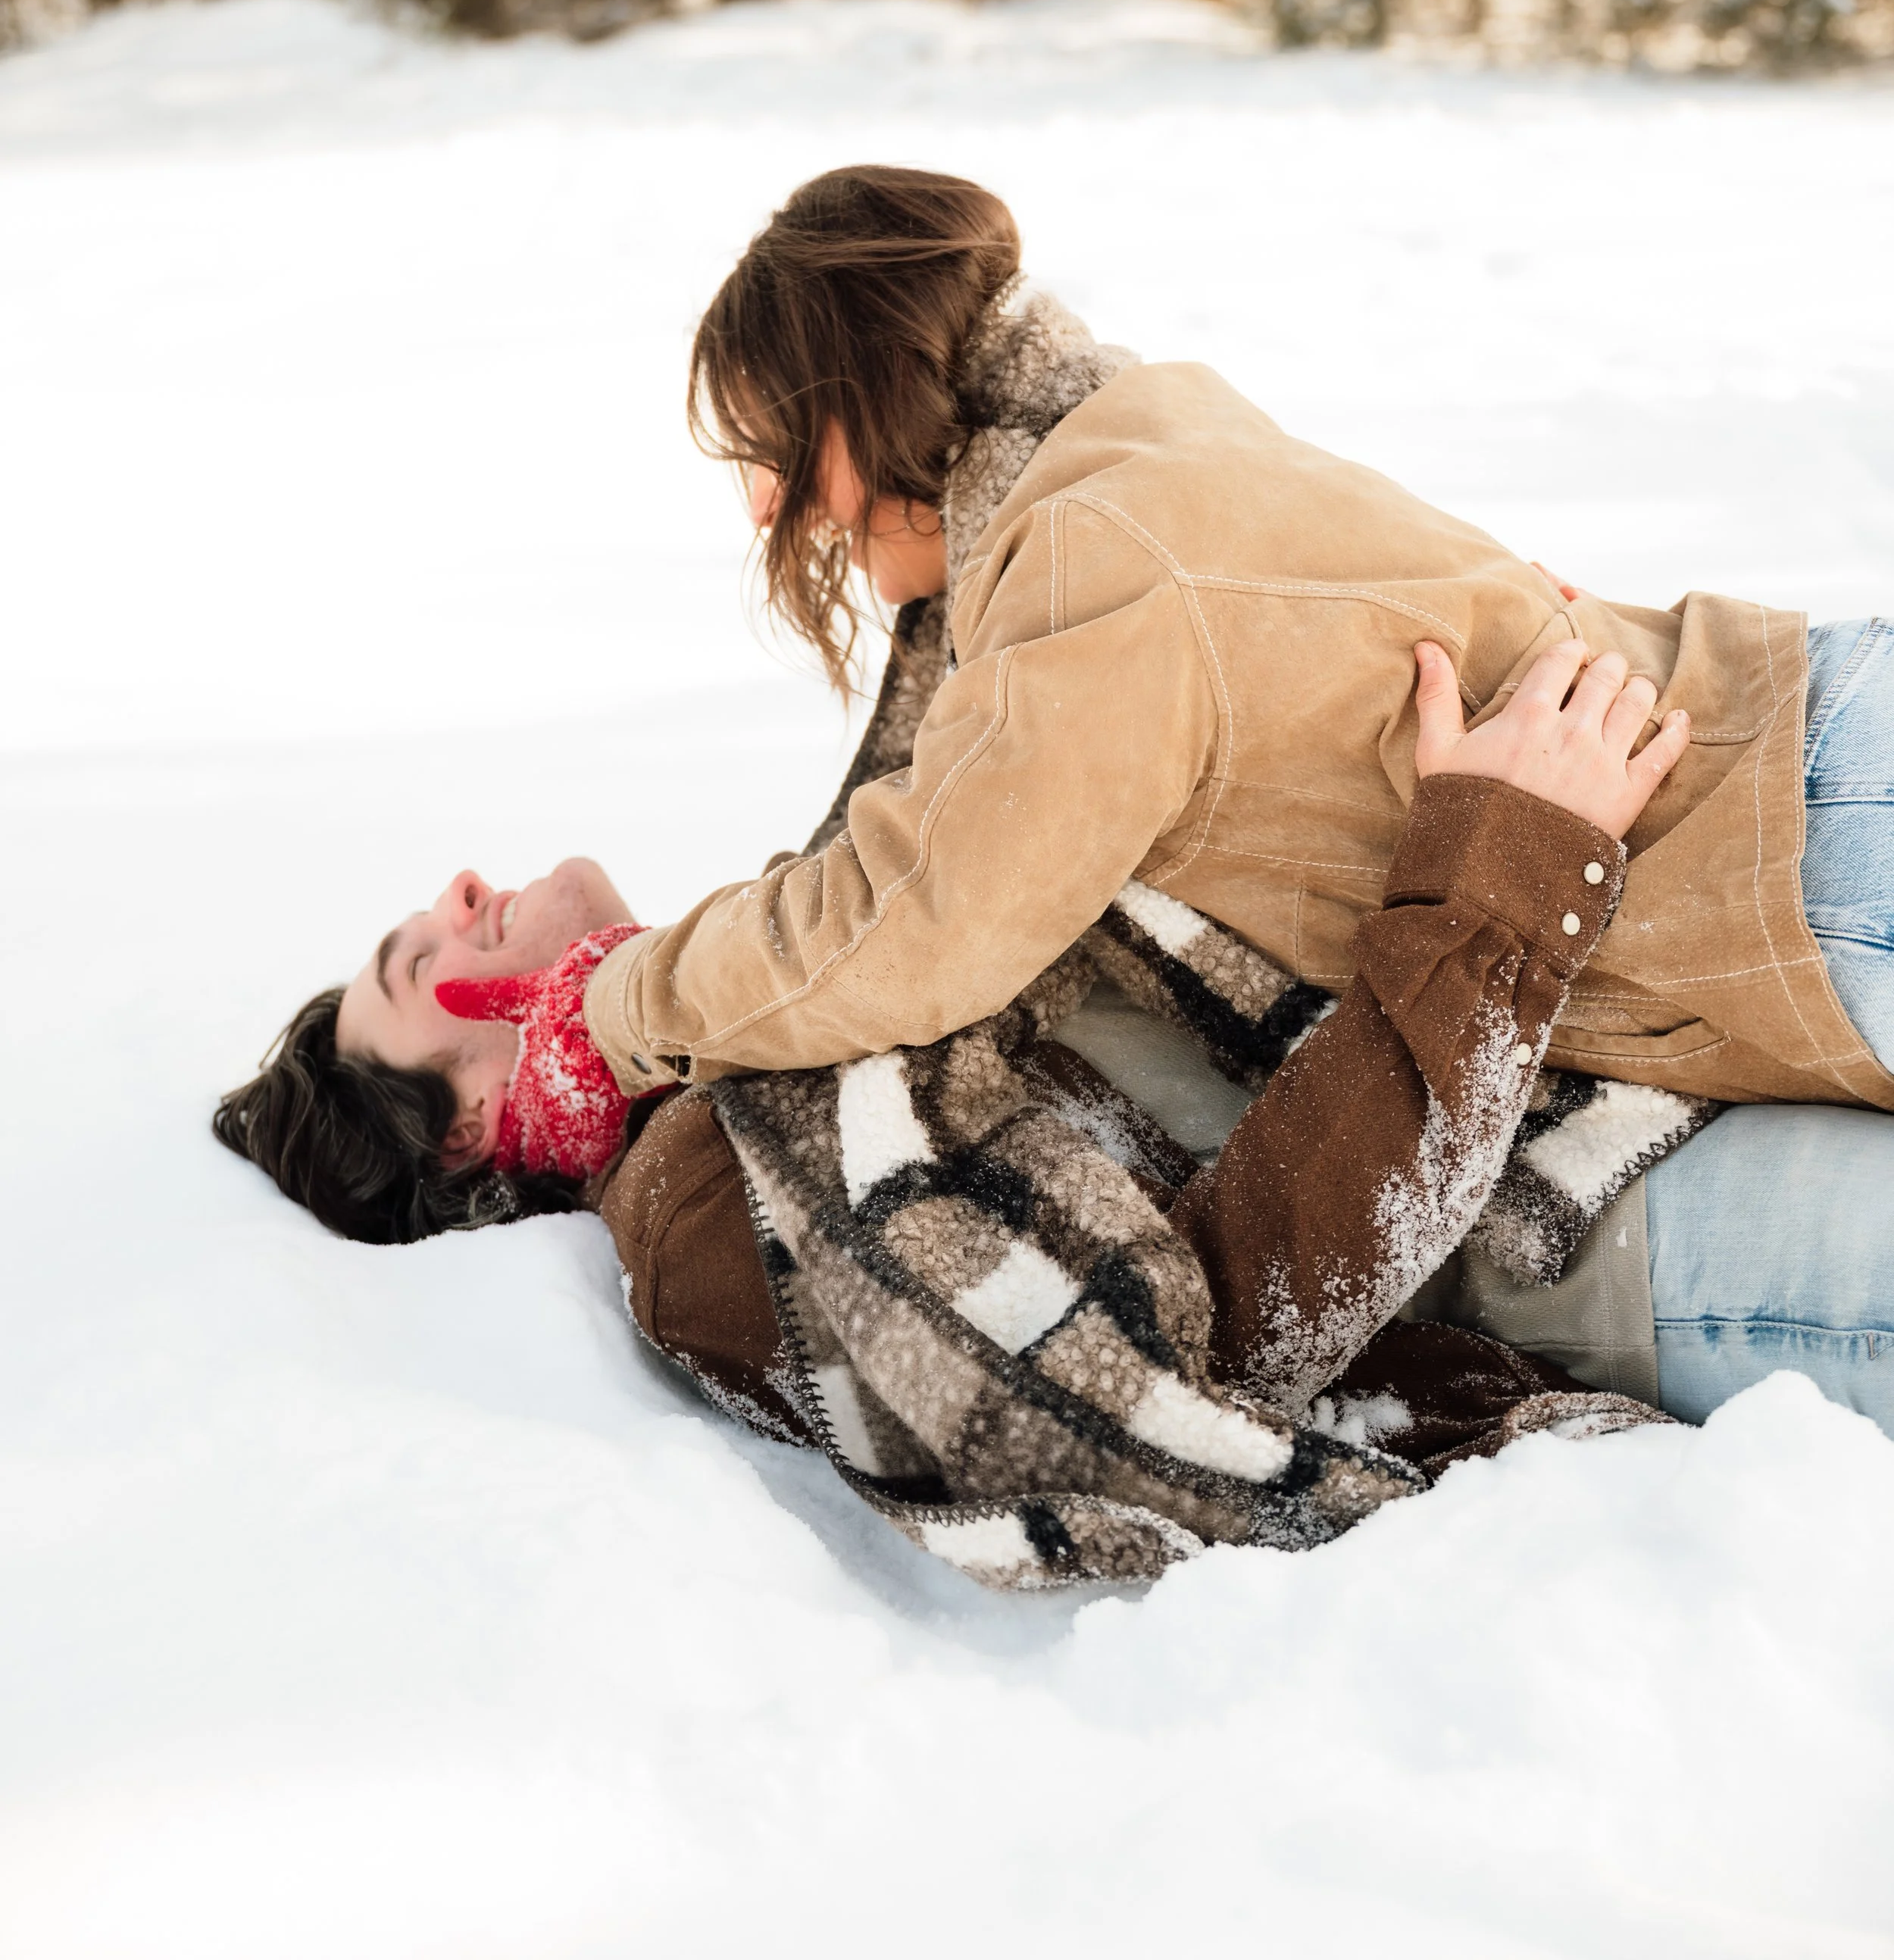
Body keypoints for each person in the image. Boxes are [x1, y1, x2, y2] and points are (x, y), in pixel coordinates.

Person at [217, 166, 1894, 1446]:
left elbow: (1031, 818)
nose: (454, 897)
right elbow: (1185, 1342)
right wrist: (1494, 886)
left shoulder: (832, 905)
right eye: (413, 962)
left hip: (1716, 894)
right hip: (1623, 1165)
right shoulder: (718, 1216)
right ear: (481, 1132)